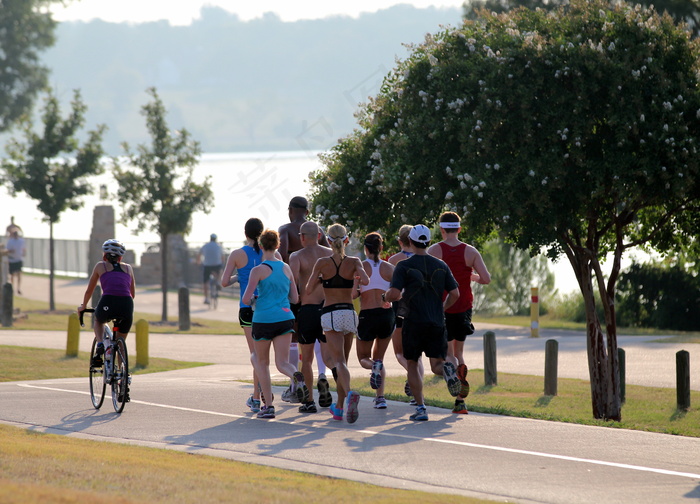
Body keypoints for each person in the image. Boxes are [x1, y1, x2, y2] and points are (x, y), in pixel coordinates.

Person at [383, 224, 461, 422]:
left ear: (410, 242)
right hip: (436, 321)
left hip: (413, 321)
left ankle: (420, 408)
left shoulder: (403, 266)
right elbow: (455, 293)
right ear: (429, 241)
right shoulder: (441, 265)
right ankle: (447, 370)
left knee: (412, 363)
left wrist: (385, 296)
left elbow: (393, 293)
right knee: (436, 364)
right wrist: (442, 307)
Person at [428, 211, 491, 414]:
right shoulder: (471, 251)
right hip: (464, 306)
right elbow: (486, 278)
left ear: (441, 229)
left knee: (447, 354)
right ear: (459, 229)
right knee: (459, 352)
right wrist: (469, 276)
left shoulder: (434, 251)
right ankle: (460, 403)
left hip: (443, 306)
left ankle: (453, 375)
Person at [306, 223, 369, 424]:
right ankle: (340, 408)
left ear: (328, 241)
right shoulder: (354, 260)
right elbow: (365, 280)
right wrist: (357, 276)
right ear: (346, 240)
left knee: (338, 362)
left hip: (331, 313)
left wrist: (320, 279)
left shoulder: (322, 263)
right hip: (349, 313)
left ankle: (350, 394)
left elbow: (308, 290)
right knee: (344, 364)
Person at [241, 229, 304, 420]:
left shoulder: (258, 270)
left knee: (261, 362)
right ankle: (296, 376)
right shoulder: (286, 268)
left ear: (260, 246)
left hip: (263, 319)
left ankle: (268, 406)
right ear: (277, 246)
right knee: (282, 363)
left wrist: (255, 298)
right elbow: (295, 297)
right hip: (285, 317)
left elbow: (246, 299)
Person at [277, 196, 329, 398]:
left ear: (290, 210)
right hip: (323, 296)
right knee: (322, 339)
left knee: (295, 339)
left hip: (298, 293)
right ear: (307, 212)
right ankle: (323, 373)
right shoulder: (319, 232)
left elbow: (281, 257)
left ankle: (294, 387)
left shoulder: (285, 230)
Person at [78, 239, 136, 400]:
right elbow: (132, 293)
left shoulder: (99, 266)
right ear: (120, 258)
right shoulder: (128, 268)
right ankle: (122, 377)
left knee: (98, 321)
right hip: (126, 305)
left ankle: (101, 344)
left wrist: (83, 306)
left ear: (104, 255)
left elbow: (90, 290)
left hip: (108, 301)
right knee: (121, 342)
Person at [221, 218, 266, 413]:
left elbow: (224, 282)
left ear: (245, 233)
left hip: (247, 307)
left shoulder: (237, 254)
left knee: (256, 354)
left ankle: (258, 396)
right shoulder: (270, 253)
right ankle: (260, 394)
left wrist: (239, 276)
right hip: (266, 307)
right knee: (263, 354)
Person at [289, 221, 334, 413]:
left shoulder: (297, 256)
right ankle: (336, 389)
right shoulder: (330, 253)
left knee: (306, 359)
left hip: (307, 310)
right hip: (327, 308)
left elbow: (290, 283)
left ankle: (309, 401)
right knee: (331, 358)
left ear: (302, 237)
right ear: (318, 235)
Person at [354, 232, 395, 410]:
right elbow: (399, 293)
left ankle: (373, 366)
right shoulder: (390, 268)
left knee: (364, 357)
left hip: (367, 315)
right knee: (380, 357)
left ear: (365, 248)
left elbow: (354, 294)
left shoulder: (360, 267)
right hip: (387, 316)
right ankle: (380, 399)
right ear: (381, 248)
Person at [387, 224, 422, 402]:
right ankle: (418, 393)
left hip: (400, 308)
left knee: (400, 353)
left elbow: (392, 288)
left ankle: (413, 376)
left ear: (400, 241)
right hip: (420, 308)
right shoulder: (424, 257)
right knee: (416, 353)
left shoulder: (394, 260)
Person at [199, 234, 223, 304]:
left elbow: (199, 254)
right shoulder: (219, 246)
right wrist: (222, 263)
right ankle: (218, 282)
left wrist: (198, 262)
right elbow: (222, 257)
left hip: (207, 265)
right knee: (220, 270)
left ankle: (206, 298)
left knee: (205, 281)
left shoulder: (205, 246)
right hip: (217, 265)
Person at [6, 227, 26, 295]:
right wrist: (11, 251)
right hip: (12, 260)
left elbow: (23, 248)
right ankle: (12, 288)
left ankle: (18, 288)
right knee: (12, 275)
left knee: (19, 273)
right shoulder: (10, 241)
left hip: (19, 259)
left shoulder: (21, 241)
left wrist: (24, 253)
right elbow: (7, 250)